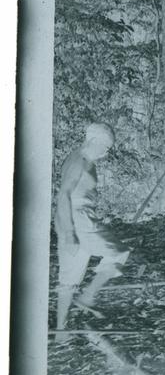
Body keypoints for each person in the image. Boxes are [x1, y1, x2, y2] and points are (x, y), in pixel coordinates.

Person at [54, 122, 130, 330]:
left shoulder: (81, 158)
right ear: (93, 141)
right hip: (78, 219)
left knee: (69, 279)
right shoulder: (79, 161)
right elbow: (63, 195)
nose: (106, 153)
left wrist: (65, 229)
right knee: (119, 252)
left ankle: (61, 331)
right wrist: (69, 233)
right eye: (105, 147)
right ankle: (87, 297)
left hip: (73, 218)